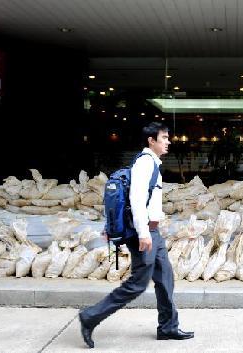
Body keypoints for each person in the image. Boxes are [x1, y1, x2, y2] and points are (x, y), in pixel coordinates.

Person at [79, 122, 194, 348]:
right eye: (164, 138)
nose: (168, 142)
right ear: (151, 141)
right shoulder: (145, 164)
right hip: (144, 232)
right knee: (138, 284)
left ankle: (168, 327)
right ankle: (90, 317)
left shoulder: (152, 163)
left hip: (153, 231)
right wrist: (143, 233)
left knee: (165, 277)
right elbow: (137, 200)